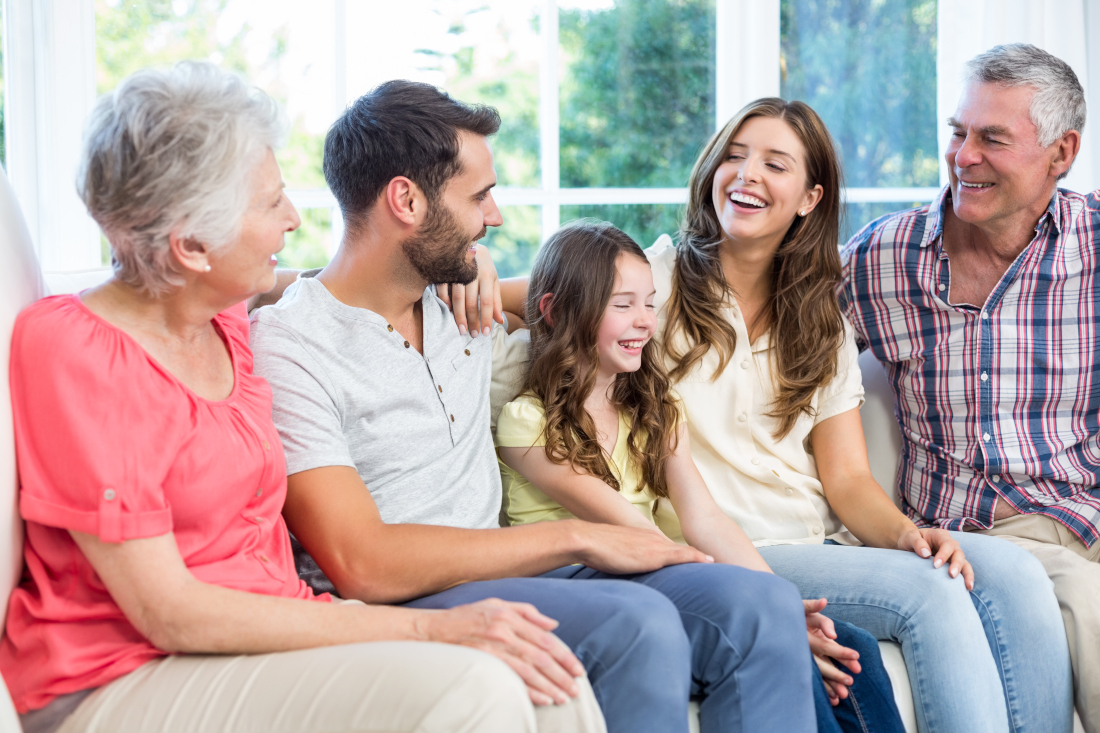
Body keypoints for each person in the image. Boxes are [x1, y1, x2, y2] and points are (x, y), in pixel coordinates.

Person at [0, 62, 608, 733]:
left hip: (263, 627)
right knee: (479, 685)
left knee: (549, 678)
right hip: (123, 672)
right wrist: (432, 631)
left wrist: (466, 261)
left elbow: (345, 283)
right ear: (193, 246)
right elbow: (166, 609)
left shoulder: (217, 311)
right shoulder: (80, 351)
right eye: (270, 204)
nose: (293, 217)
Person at [249, 80, 818, 733]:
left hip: (517, 569)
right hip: (415, 593)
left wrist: (477, 267)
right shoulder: (293, 346)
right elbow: (361, 561)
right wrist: (577, 536)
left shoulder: (460, 308)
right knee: (640, 624)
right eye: (479, 197)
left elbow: (574, 305)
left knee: (764, 605)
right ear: (406, 200)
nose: (493, 218)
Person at [495, 97, 1072, 733]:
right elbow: (548, 296)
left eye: (775, 164)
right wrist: (471, 273)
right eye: (734, 158)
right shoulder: (650, 283)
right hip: (728, 544)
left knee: (1014, 571)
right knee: (931, 595)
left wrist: (907, 534)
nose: (747, 175)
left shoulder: (823, 318)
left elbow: (848, 481)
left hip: (818, 539)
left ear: (808, 198)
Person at [496, 218, 906, 733]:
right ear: (554, 311)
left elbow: (704, 515)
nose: (645, 320)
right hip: (578, 578)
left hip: (651, 570)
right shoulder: (526, 424)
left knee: (854, 647)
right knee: (783, 642)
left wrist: (782, 601)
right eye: (623, 305)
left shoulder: (655, 406)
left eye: (650, 302)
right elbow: (628, 529)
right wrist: (766, 613)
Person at [840, 42, 1097, 732]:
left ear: (1061, 152)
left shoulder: (1095, 247)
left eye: (992, 138)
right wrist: (539, 287)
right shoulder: (883, 257)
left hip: (1085, 515)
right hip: (970, 532)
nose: (964, 156)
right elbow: (732, 293)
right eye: (959, 132)